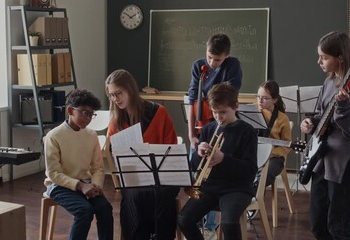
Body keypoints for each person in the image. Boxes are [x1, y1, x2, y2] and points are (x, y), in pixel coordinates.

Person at [300, 31, 350, 240]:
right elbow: (324, 117)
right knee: (317, 224)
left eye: (324, 57)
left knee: (339, 227)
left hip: (344, 164)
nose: (319, 61)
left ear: (340, 57)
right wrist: (311, 122)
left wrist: (343, 105)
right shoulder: (329, 83)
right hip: (322, 160)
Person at [106, 69, 179, 240]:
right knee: (134, 195)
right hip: (135, 178)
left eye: (119, 93)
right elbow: (116, 154)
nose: (116, 99)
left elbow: (171, 148)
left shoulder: (159, 112)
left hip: (163, 177)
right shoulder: (116, 121)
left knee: (159, 194)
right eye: (111, 95)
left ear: (130, 90)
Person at [178, 83, 258, 240]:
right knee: (184, 219)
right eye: (214, 112)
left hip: (237, 188)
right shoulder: (208, 129)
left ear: (236, 106)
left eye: (223, 112)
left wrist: (224, 159)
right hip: (209, 186)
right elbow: (195, 166)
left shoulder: (247, 131)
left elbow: (250, 170)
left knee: (228, 224)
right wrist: (198, 153)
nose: (218, 117)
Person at [187, 32, 242, 234]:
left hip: (224, 124)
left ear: (227, 56)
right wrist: (192, 134)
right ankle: (198, 219)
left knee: (214, 171)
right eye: (209, 56)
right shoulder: (197, 66)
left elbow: (227, 97)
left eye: (217, 59)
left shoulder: (232, 65)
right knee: (196, 166)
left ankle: (210, 225)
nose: (212, 62)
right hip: (203, 126)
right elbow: (192, 101)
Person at [43, 89, 113, 240]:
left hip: (86, 183)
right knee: (84, 210)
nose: (88, 118)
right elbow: (53, 174)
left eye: (91, 114)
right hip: (59, 186)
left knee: (105, 209)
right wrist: (81, 186)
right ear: (70, 110)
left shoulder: (91, 135)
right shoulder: (54, 136)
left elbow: (98, 168)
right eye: (84, 113)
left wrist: (96, 186)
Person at [255, 80, 292, 187]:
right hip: (253, 153)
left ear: (275, 100)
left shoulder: (282, 118)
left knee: (267, 171)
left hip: (274, 157)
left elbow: (286, 145)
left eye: (265, 98)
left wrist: (270, 153)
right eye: (258, 96)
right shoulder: (251, 111)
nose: (260, 101)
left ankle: (256, 190)